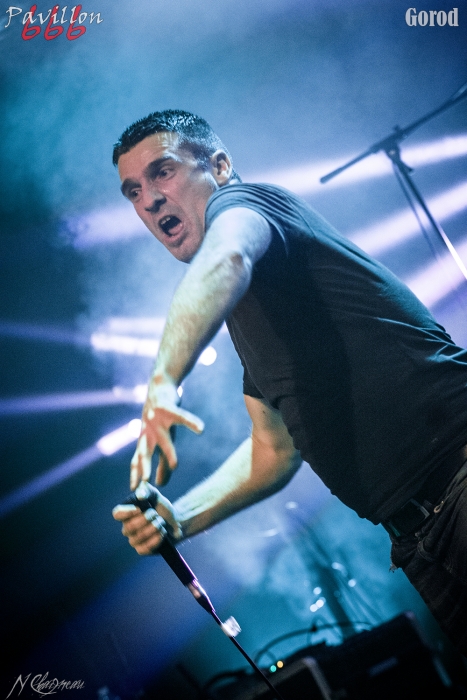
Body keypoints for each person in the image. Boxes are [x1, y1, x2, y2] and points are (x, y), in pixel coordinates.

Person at [111, 109, 467, 654]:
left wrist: (162, 382)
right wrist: (179, 518)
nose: (150, 200)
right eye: (133, 191)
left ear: (220, 166)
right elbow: (273, 449)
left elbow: (229, 254)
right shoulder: (256, 310)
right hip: (420, 539)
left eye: (163, 171)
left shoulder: (246, 204)